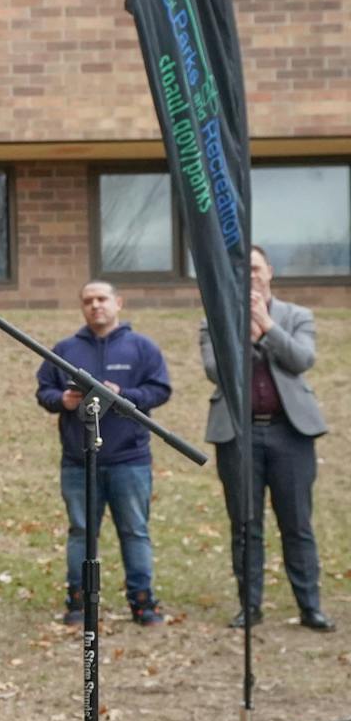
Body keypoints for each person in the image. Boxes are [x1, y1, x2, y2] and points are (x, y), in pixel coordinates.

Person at [201, 246, 332, 630]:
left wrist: (267, 326)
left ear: (269, 271)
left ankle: (310, 606)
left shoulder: (297, 316)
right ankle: (250, 606)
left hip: (290, 434)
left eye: (256, 268)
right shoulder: (216, 319)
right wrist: (242, 328)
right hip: (237, 434)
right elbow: (215, 369)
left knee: (297, 524)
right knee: (245, 524)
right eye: (243, 270)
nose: (251, 275)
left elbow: (301, 359)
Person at [34, 280, 172, 626]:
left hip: (130, 459)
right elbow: (44, 390)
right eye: (88, 301)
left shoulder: (142, 348)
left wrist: (124, 394)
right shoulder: (64, 349)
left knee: (135, 531)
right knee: (81, 531)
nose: (96, 306)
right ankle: (78, 602)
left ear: (118, 303)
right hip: (78, 460)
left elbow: (160, 389)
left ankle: (143, 603)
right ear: (82, 307)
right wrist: (62, 401)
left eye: (102, 299)